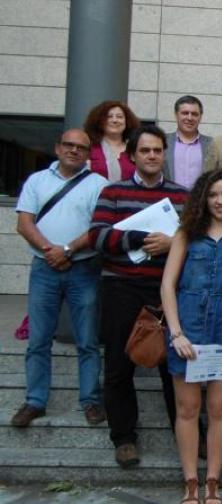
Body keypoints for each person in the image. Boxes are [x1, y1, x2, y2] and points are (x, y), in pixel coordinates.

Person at [88, 125, 190, 468]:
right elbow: (98, 238)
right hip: (120, 287)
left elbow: (195, 242)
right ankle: (124, 438)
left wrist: (172, 242)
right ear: (132, 156)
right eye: (144, 151)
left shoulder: (181, 196)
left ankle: (188, 433)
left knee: (172, 366)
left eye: (157, 150)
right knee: (119, 364)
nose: (151, 156)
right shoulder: (112, 192)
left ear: (164, 154)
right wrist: (140, 238)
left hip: (165, 290)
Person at [160, 169, 222, 504]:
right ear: (204, 198)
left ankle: (213, 480)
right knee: (187, 408)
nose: (220, 201)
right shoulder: (186, 232)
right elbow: (167, 286)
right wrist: (176, 333)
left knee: (219, 409)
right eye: (214, 195)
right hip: (188, 324)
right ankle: (190, 480)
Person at [10, 129, 109, 428]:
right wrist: (49, 251)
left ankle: (90, 400)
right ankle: (35, 401)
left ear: (89, 153)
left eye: (82, 147)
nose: (75, 151)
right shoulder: (37, 181)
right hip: (44, 268)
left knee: (87, 340)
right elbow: (24, 223)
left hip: (83, 268)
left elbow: (98, 228)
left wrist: (67, 250)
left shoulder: (98, 185)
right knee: (39, 338)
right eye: (69, 145)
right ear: (57, 148)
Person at [83, 100, 140, 181]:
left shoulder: (135, 150)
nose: (115, 120)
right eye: (109, 116)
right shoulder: (89, 149)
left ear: (127, 121)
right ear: (99, 121)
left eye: (119, 117)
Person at [164, 95, 212, 189]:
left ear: (200, 117)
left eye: (194, 114)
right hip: (170, 199)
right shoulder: (162, 142)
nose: (189, 118)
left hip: (199, 201)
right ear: (176, 115)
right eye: (185, 113)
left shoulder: (212, 144)